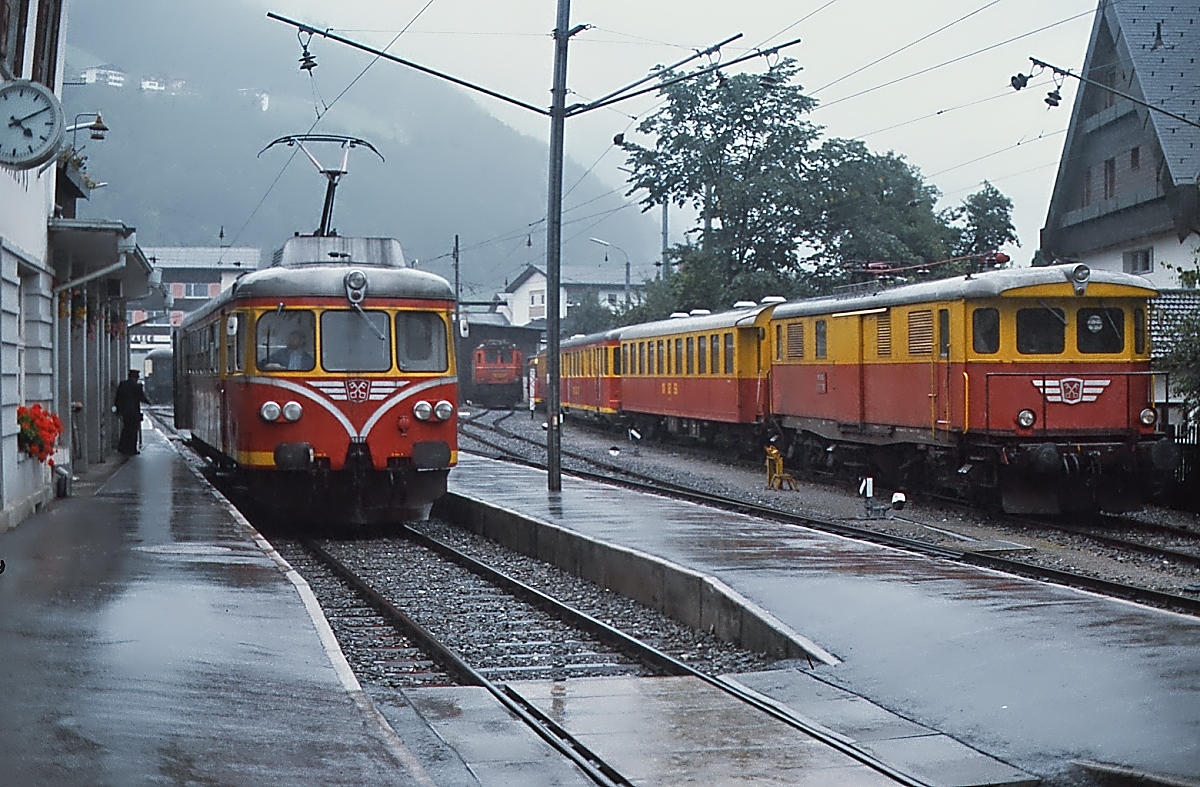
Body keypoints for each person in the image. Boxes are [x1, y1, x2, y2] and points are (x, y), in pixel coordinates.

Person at [114, 369, 151, 455]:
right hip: (134, 412)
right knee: (133, 431)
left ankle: (122, 448)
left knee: (126, 429)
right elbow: (142, 397)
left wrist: (118, 410)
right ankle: (132, 449)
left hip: (125, 412)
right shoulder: (138, 386)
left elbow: (118, 398)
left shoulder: (123, 384)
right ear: (136, 377)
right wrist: (149, 402)